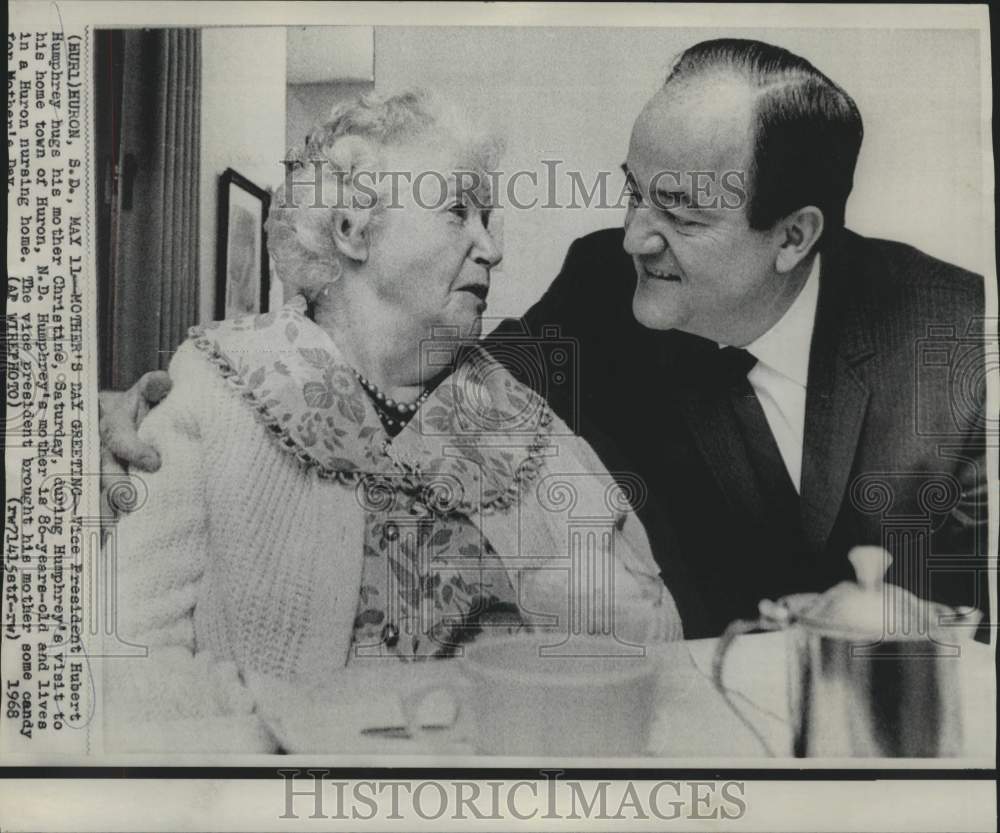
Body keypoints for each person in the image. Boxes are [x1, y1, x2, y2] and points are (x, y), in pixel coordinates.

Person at [105, 39, 990, 641]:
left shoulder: (956, 337)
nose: (637, 235)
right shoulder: (608, 284)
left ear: (793, 237)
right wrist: (157, 407)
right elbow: (420, 380)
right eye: (633, 191)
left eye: (678, 213)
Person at [103, 90, 683, 749]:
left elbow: (656, 638)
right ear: (353, 229)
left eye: (488, 218)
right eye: (457, 211)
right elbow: (119, 657)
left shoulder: (512, 411)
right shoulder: (223, 385)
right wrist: (288, 724)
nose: (491, 249)